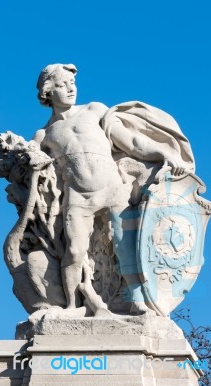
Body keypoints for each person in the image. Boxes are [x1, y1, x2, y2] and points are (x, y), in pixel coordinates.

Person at [33, 63, 189, 314]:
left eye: (73, 84)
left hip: (113, 189)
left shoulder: (94, 111)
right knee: (74, 251)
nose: (71, 89)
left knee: (125, 245)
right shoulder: (44, 135)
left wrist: (164, 153)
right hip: (78, 197)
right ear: (48, 92)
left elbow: (131, 142)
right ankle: (72, 306)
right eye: (63, 85)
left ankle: (137, 300)